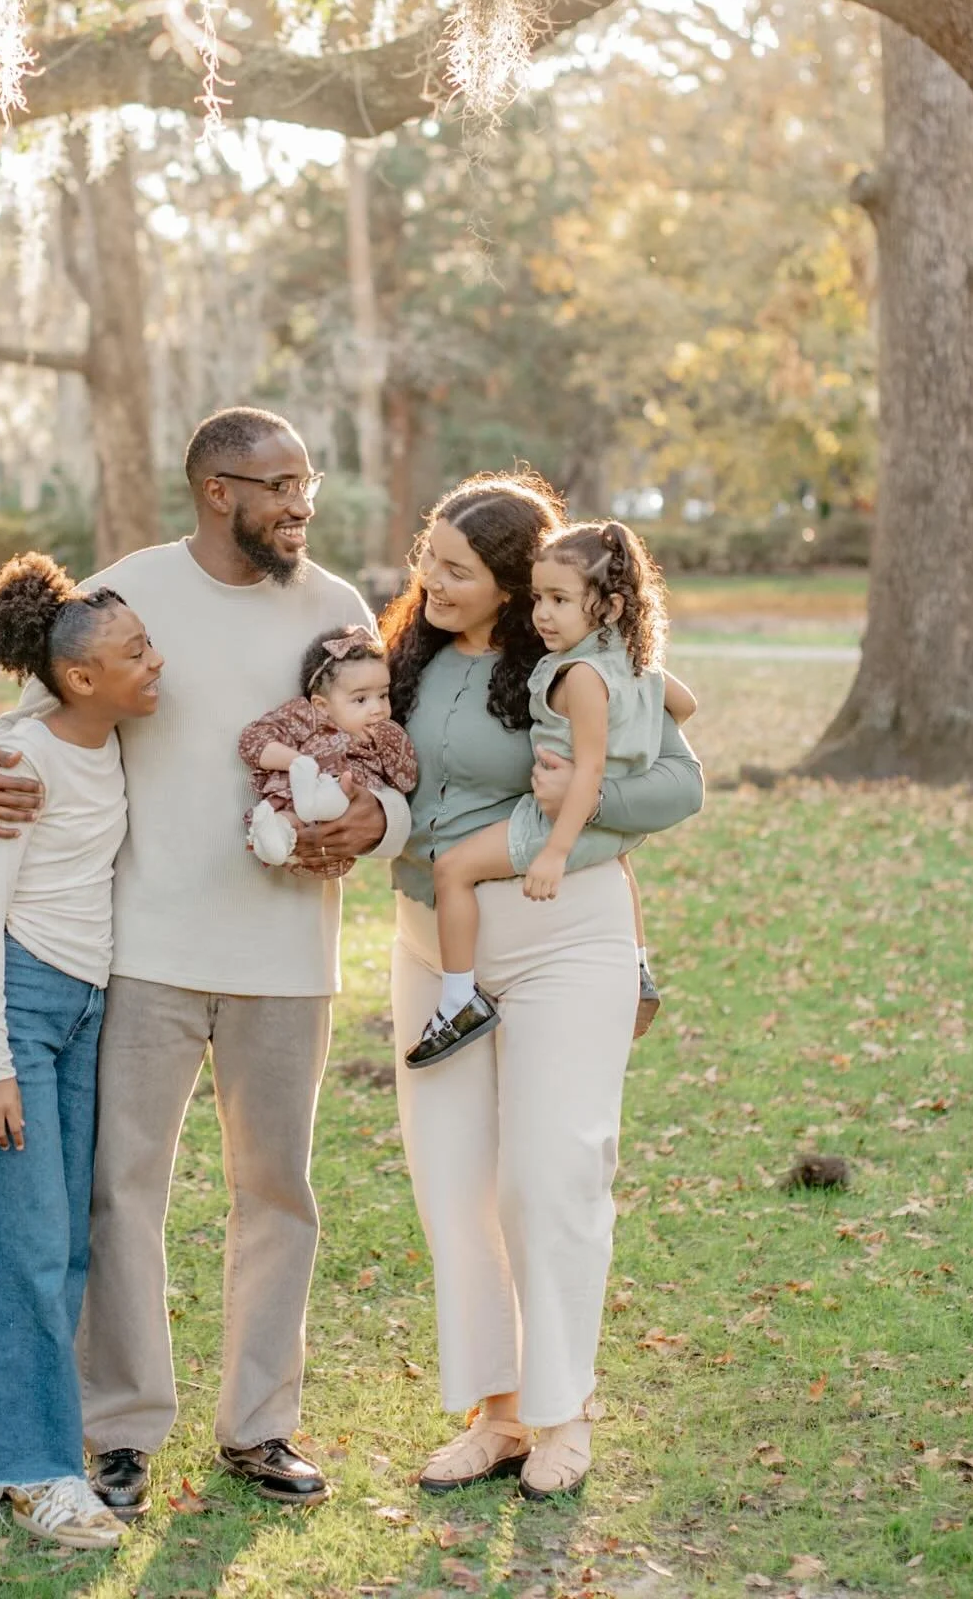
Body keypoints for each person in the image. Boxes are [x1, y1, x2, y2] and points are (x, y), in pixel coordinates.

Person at [0, 409, 413, 1517]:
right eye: (282, 483)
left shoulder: (339, 609)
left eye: (310, 480)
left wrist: (379, 823)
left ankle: (259, 1427)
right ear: (218, 490)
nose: (304, 502)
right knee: (122, 1196)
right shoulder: (128, 590)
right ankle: (118, 1428)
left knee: (278, 1194)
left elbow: (391, 755)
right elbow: (22, 724)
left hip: (289, 954)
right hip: (142, 954)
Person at [380, 473, 703, 1501]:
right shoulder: (408, 661)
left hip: (565, 936)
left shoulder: (576, 665)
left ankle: (563, 1413)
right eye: (428, 557)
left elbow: (678, 783)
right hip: (435, 942)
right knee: (455, 1183)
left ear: (522, 584)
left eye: (458, 570)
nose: (431, 580)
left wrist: (578, 798)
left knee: (550, 1177)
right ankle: (497, 1411)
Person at [0, 552, 163, 1550]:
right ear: (81, 677)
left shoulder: (109, 738)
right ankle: (34, 1471)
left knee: (64, 1242)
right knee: (25, 1247)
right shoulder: (20, 758)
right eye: (136, 654)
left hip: (85, 1010)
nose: (155, 664)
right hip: (21, 1013)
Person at [408, 519, 696, 1069]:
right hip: (589, 819)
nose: (542, 613)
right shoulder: (629, 661)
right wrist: (631, 733)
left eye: (559, 600)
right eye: (539, 598)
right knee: (622, 857)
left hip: (553, 819)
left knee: (453, 870)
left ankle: (457, 999)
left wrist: (556, 853)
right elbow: (681, 705)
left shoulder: (581, 674)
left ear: (608, 607)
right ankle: (636, 965)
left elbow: (585, 776)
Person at [239, 625, 418, 878]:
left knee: (338, 796)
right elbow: (253, 741)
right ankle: (275, 835)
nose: (378, 709)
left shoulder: (381, 737)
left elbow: (405, 780)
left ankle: (318, 803)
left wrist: (393, 740)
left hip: (340, 822)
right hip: (298, 798)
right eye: (360, 699)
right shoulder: (307, 718)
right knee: (289, 819)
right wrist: (300, 763)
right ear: (322, 706)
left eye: (383, 695)